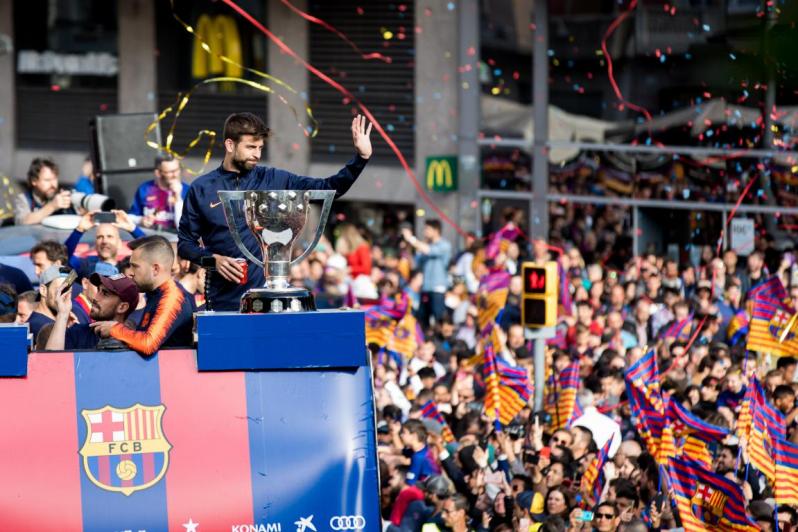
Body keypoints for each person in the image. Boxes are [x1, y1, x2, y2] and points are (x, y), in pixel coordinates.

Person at [177, 112, 373, 311]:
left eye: (260, 147)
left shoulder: (273, 179)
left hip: (268, 302)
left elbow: (327, 188)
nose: (257, 154)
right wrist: (213, 261)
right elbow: (185, 244)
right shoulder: (202, 188)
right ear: (230, 145)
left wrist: (361, 159)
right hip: (221, 303)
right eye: (251, 147)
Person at [90, 235, 194, 355]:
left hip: (171, 372)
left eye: (135, 266)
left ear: (155, 269)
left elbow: (148, 344)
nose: (131, 273)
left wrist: (114, 329)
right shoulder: (154, 293)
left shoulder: (172, 297)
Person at [45, 273, 139, 350]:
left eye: (105, 294)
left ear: (122, 307)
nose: (96, 298)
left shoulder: (136, 341)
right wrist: (62, 314)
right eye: (98, 290)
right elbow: (51, 365)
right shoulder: (78, 333)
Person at [64, 209, 144, 279]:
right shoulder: (85, 266)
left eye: (110, 236)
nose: (104, 241)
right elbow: (64, 259)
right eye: (100, 237)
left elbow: (152, 252)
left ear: (119, 243)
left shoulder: (128, 268)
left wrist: (133, 228)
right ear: (95, 244)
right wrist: (79, 230)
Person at [402, 219, 452, 328]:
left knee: (439, 319)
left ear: (436, 230)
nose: (425, 232)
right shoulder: (423, 246)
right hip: (425, 288)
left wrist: (411, 239)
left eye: (427, 229)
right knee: (423, 321)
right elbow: (414, 264)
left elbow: (429, 250)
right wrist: (408, 248)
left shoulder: (444, 245)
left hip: (437, 289)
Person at [129, 154, 189, 231]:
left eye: (177, 170)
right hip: (150, 236)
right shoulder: (144, 189)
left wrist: (178, 198)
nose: (175, 175)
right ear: (158, 173)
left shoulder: (188, 190)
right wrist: (141, 220)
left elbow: (183, 228)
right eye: (170, 172)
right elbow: (130, 217)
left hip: (176, 237)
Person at [14, 157, 75, 225]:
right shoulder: (24, 199)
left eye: (55, 179)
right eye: (47, 180)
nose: (53, 184)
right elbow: (22, 222)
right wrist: (52, 206)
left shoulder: (60, 196)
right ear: (34, 181)